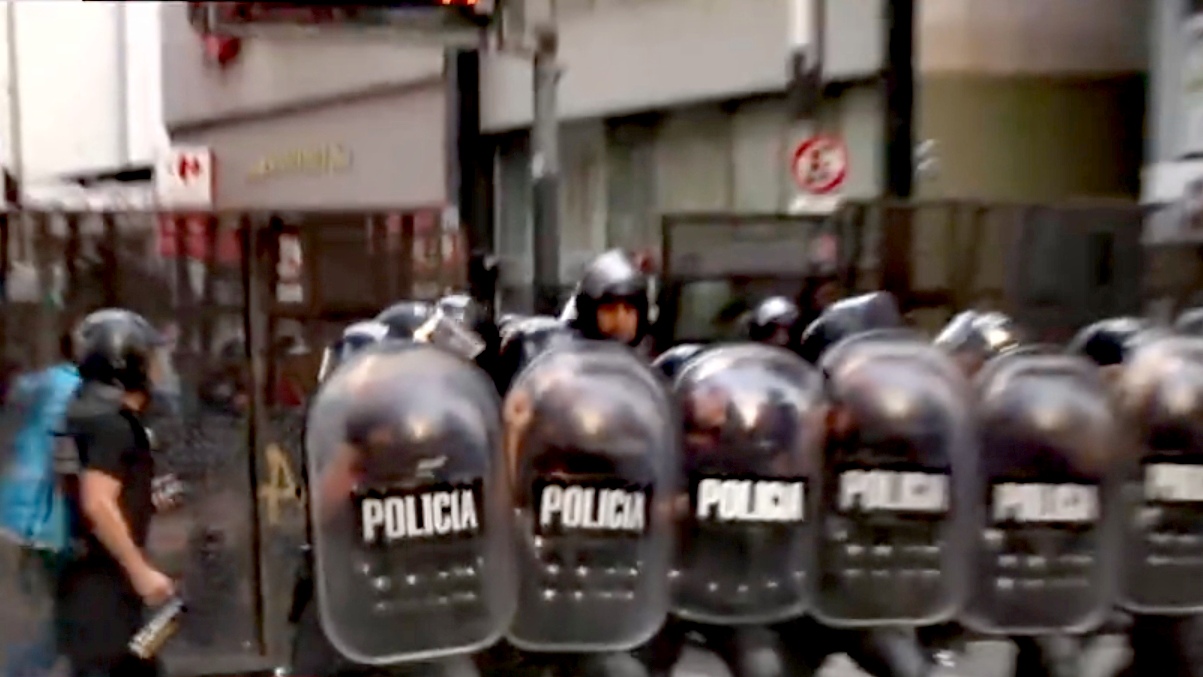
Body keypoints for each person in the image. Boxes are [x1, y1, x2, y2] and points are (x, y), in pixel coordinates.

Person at [55, 309, 175, 677]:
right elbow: (98, 502)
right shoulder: (113, 425)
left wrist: (146, 501)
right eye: (151, 359)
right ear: (128, 362)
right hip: (104, 590)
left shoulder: (85, 415)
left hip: (86, 587)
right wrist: (141, 572)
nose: (158, 369)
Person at [0, 329, 81, 677]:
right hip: (49, 513)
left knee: (42, 601)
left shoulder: (45, 381)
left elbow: (17, 393)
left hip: (16, 506)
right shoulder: (81, 390)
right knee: (63, 603)